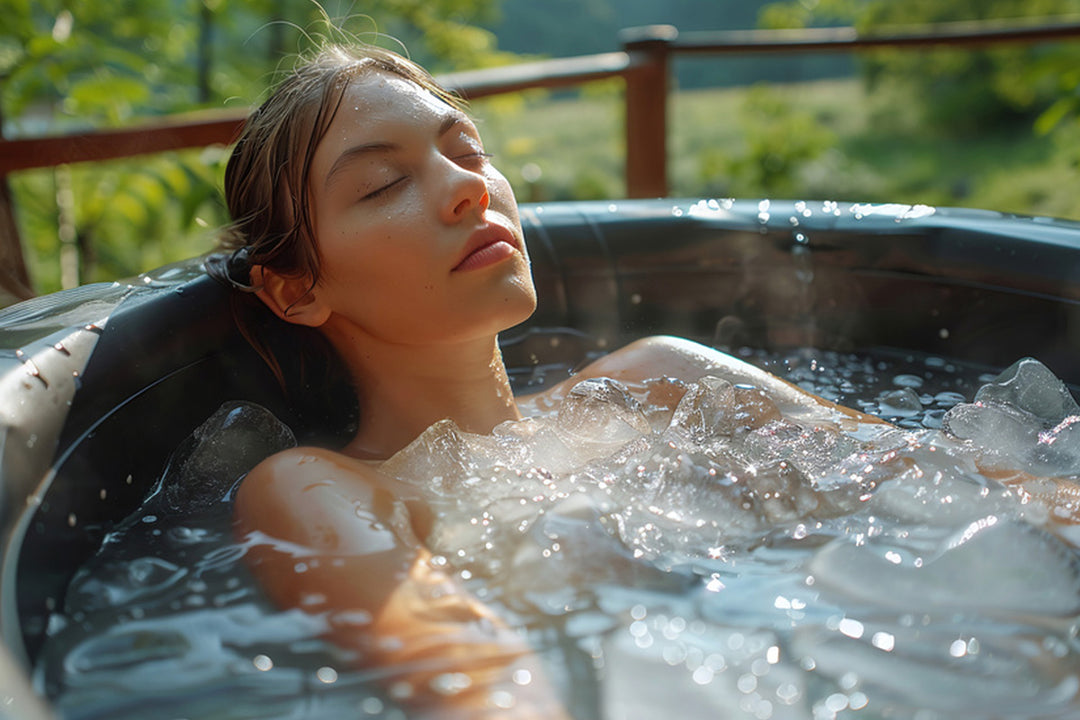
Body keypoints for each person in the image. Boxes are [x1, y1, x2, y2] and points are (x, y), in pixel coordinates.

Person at [208, 43, 1076, 718]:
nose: (467, 190)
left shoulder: (662, 380)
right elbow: (478, 685)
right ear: (298, 288)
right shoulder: (319, 488)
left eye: (465, 149)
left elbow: (969, 487)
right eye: (385, 184)